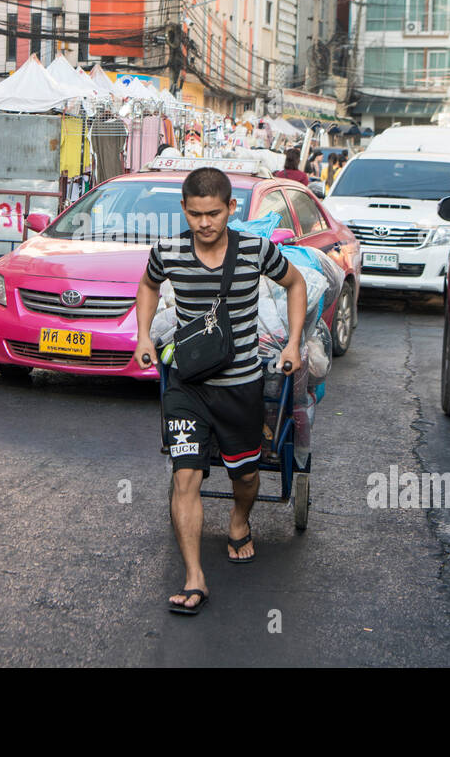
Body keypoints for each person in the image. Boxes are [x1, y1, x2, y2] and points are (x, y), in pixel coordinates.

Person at [133, 167, 307, 615]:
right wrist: (144, 335)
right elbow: (149, 285)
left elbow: (295, 283)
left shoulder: (255, 249)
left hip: (241, 386)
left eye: (213, 213)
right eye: (195, 214)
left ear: (231, 208)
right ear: (184, 210)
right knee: (184, 475)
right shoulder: (167, 250)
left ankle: (238, 519)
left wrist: (292, 342)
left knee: (246, 475)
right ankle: (194, 577)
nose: (204, 223)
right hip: (188, 385)